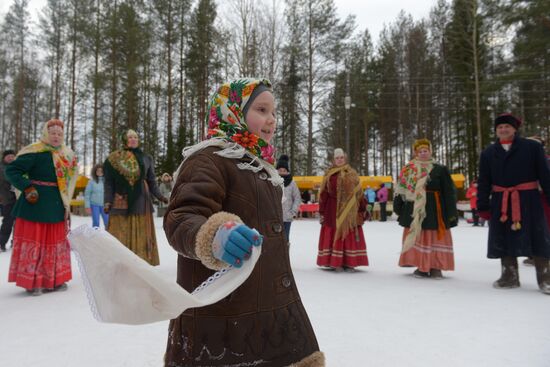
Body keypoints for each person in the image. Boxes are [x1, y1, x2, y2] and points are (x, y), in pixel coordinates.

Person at [163, 78, 323, 366]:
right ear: (232, 112)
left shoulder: (261, 167)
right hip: (224, 313)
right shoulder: (208, 159)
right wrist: (212, 236)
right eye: (262, 110)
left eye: (274, 112)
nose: (271, 120)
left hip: (269, 305)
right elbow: (181, 218)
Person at [476, 114, 550, 294]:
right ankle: (509, 276)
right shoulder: (488, 153)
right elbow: (484, 181)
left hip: (529, 200)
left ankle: (546, 279)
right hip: (502, 202)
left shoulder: (532, 147)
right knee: (504, 238)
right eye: (499, 127)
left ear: (515, 129)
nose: (503, 130)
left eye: (507, 127)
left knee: (538, 238)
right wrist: (483, 205)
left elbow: (545, 174)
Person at [5, 119, 78, 295]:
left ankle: (55, 280)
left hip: (56, 203)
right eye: (52, 133)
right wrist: (27, 187)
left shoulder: (67, 155)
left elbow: (70, 178)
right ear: (46, 133)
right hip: (35, 203)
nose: (56, 136)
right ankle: (34, 282)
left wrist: (67, 200)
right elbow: (11, 170)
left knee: (54, 242)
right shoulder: (35, 151)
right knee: (36, 240)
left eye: (59, 134)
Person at [394, 138, 458, 279]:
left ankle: (436, 267)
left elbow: (449, 191)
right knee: (419, 235)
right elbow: (402, 189)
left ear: (430, 151)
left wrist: (452, 212)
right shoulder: (409, 169)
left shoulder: (440, 169)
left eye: (426, 150)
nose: (423, 153)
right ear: (416, 153)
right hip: (414, 208)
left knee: (435, 236)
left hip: (435, 209)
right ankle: (421, 266)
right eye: (420, 151)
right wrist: (398, 206)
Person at [103, 129, 168, 266]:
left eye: (135, 137)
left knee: (142, 232)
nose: (133, 139)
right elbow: (108, 182)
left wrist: (161, 196)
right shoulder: (114, 158)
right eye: (130, 137)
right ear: (124, 140)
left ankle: (142, 263)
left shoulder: (146, 158)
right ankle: (120, 263)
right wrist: (108, 201)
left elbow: (151, 181)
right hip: (120, 201)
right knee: (120, 232)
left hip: (141, 200)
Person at [317, 148, 369, 272]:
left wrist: (363, 207)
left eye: (341, 158)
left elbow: (359, 193)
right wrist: (322, 211)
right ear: (333, 160)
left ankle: (349, 262)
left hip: (350, 210)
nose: (339, 160)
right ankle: (336, 262)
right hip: (332, 209)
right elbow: (324, 194)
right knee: (335, 233)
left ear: (345, 159)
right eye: (337, 158)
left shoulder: (352, 173)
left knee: (348, 234)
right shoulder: (329, 174)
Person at [276, 154, 302, 244]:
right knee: (274, 240)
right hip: (274, 217)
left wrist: (293, 212)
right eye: (280, 170)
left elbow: (297, 198)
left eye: (284, 170)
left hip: (287, 217)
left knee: (285, 240)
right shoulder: (273, 181)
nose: (282, 172)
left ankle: (285, 257)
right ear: (276, 170)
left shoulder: (292, 183)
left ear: (287, 171)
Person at [0, 149, 16, 251]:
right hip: (7, 199)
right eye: (8, 156)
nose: (10, 157)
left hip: (18, 198)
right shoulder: (1, 168)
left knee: (19, 222)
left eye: (12, 156)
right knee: (8, 221)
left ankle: (16, 241)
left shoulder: (17, 167)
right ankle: (1, 242)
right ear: (4, 158)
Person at [84, 164, 109, 228]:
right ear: (95, 172)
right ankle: (95, 236)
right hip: (94, 205)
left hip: (105, 205)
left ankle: (109, 237)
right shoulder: (91, 182)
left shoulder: (107, 181)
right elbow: (87, 194)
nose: (100, 172)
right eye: (98, 171)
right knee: (96, 222)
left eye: (101, 171)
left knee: (107, 222)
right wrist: (87, 206)